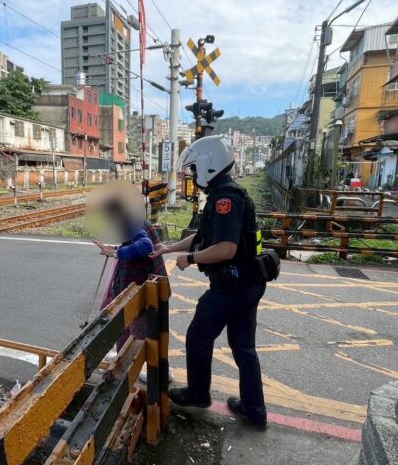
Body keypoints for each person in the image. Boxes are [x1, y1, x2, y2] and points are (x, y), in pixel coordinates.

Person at [150, 135, 269, 430]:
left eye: (193, 169)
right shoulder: (225, 193)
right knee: (243, 349)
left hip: (232, 286)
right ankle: (255, 410)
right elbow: (204, 237)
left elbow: (225, 249)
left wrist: (191, 260)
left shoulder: (225, 199)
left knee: (198, 336)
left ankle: (198, 394)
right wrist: (169, 248)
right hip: (248, 283)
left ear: (208, 165)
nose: (192, 175)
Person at [92, 194, 167, 351]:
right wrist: (114, 250)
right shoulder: (133, 220)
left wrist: (115, 253)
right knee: (125, 326)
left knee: (140, 334)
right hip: (143, 287)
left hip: (143, 290)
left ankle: (150, 369)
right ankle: (123, 357)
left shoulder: (131, 224)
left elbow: (145, 245)